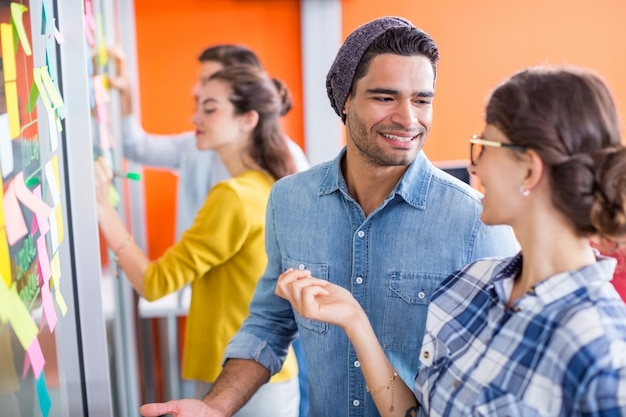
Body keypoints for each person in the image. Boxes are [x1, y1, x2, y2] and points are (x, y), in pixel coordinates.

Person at [139, 16, 519, 417]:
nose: (408, 118)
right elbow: (269, 323)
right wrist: (216, 407)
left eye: (422, 100)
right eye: (385, 98)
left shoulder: (478, 221)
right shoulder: (290, 200)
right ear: (345, 100)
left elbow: (501, 375)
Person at [278, 66, 626, 416]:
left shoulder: (603, 349)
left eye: (485, 147)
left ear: (530, 171)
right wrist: (355, 321)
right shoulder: (466, 287)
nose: (475, 168)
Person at [110, 44, 311, 416]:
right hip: (255, 366)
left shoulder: (236, 194)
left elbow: (154, 282)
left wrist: (100, 208)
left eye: (209, 104)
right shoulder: (266, 181)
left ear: (247, 117)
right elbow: (136, 146)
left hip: (243, 367)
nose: (195, 116)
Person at [109, 44, 310, 238]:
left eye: (209, 81)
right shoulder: (196, 145)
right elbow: (136, 147)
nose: (196, 91)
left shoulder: (287, 162)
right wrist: (126, 97)